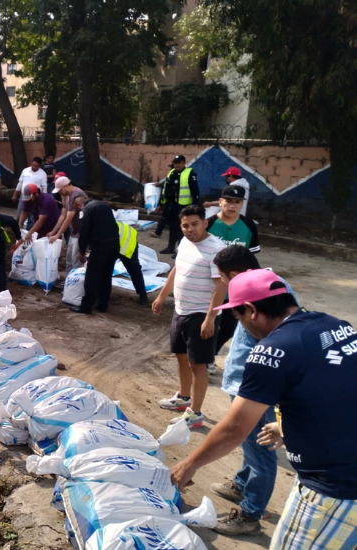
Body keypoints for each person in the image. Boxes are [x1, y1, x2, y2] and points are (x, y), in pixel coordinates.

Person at [170, 269, 357, 550]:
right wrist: (287, 427)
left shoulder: (273, 350)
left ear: (250, 310)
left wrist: (189, 464)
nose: (239, 326)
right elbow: (335, 389)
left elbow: (235, 428)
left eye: (237, 317)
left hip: (335, 489)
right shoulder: (334, 326)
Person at [207, 246, 296, 536]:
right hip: (245, 381)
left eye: (222, 278)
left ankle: (250, 513)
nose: (222, 284)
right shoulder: (272, 284)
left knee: (259, 451)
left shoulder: (264, 294)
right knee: (250, 443)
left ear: (234, 275)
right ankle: (242, 484)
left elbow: (277, 341)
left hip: (254, 387)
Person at [152, 205, 227, 429]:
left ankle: (195, 413)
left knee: (198, 365)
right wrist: (162, 295)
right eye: (185, 225)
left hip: (201, 314)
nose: (189, 229)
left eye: (195, 224)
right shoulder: (185, 241)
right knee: (181, 356)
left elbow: (220, 287)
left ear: (205, 223)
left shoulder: (216, 249)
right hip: (181, 309)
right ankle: (184, 398)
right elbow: (177, 268)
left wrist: (210, 319)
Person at [206, 184, 261, 373]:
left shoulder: (248, 226)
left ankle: (209, 356)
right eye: (229, 201)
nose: (232, 206)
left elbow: (252, 259)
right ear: (220, 201)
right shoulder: (209, 223)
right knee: (209, 324)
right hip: (210, 285)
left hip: (236, 288)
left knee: (229, 328)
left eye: (237, 202)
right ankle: (203, 358)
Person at [68, 195, 120, 315]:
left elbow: (84, 232)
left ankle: (86, 306)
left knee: (92, 276)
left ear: (79, 205)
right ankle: (103, 304)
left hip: (101, 245)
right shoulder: (104, 206)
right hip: (114, 244)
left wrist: (81, 251)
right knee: (106, 275)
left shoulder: (86, 210)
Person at [159, 155, 200, 255]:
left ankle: (180, 250)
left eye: (179, 163)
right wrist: (160, 203)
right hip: (170, 205)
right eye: (175, 163)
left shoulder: (189, 173)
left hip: (183, 206)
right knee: (171, 227)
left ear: (183, 163)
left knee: (180, 229)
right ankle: (170, 247)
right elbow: (165, 189)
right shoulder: (171, 173)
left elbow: (195, 191)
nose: (177, 165)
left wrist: (194, 206)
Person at [47, 176, 88, 271]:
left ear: (65, 186)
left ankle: (75, 283)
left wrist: (57, 235)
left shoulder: (76, 195)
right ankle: (68, 280)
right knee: (69, 259)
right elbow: (63, 216)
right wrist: (53, 231)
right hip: (74, 231)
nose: (60, 193)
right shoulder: (67, 196)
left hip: (81, 231)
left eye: (60, 190)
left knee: (75, 259)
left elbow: (69, 218)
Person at [116, 221, 149, 306]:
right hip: (115, 240)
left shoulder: (96, 225)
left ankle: (143, 295)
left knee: (134, 269)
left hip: (127, 241)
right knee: (106, 267)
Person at [14, 157, 48, 223]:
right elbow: (20, 183)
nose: (34, 167)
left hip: (34, 198)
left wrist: (44, 198)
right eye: (33, 165)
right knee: (20, 213)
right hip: (23, 196)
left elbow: (44, 187)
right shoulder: (25, 170)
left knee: (32, 216)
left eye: (36, 166)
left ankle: (29, 231)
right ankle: (18, 227)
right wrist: (15, 194)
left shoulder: (43, 174)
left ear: (40, 166)